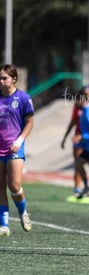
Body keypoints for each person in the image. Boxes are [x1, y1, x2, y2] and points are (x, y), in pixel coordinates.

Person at [0, 64, 34, 236]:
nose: (1, 81)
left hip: (14, 149)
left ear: (14, 79)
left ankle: (22, 211)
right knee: (0, 187)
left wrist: (19, 141)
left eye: (4, 78)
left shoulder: (23, 98)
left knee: (14, 185)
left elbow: (30, 122)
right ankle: (4, 225)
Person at [61, 85, 89, 197]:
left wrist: (83, 136)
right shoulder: (81, 108)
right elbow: (73, 121)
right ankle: (83, 188)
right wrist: (65, 137)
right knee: (79, 163)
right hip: (83, 140)